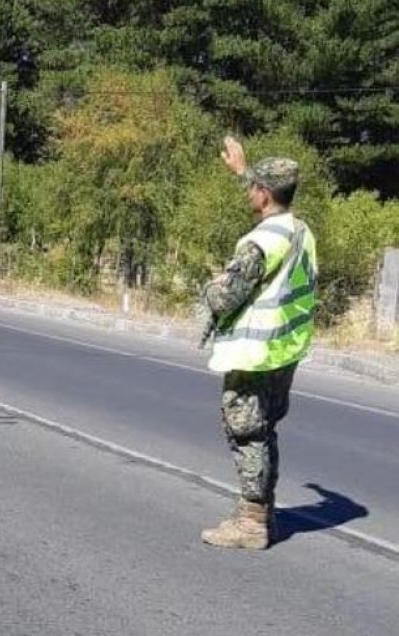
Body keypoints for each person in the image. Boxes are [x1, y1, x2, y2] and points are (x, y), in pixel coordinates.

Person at [197, 136, 318, 550]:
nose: (250, 192)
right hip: (286, 350)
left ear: (264, 194)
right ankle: (261, 511)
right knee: (264, 431)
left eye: (253, 188)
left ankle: (252, 524)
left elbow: (227, 296)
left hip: (256, 355)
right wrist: (242, 171)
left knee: (247, 432)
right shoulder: (299, 231)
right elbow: (266, 195)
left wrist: (213, 285)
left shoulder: (259, 243)